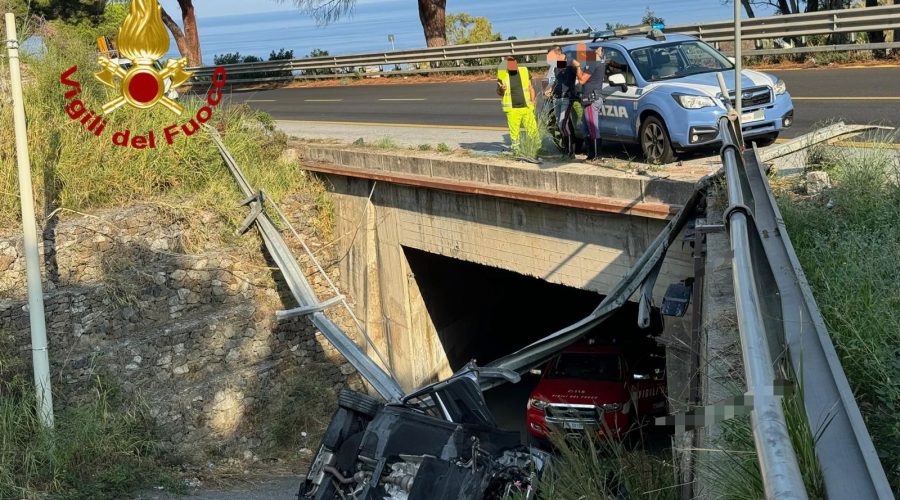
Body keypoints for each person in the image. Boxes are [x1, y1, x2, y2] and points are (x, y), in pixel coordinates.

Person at [496, 56, 539, 156]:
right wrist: (502, 89)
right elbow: (498, 92)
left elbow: (530, 87)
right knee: (514, 132)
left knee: (533, 130)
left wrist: (533, 101)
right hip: (512, 109)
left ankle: (538, 149)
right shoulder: (502, 74)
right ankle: (517, 151)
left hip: (526, 107)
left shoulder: (524, 70)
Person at [574, 47, 608, 161]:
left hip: (591, 99)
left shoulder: (593, 63)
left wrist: (578, 67)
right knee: (585, 128)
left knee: (592, 127)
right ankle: (591, 154)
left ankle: (597, 155)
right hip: (590, 99)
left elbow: (582, 80)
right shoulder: (597, 62)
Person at [552, 55, 578, 158]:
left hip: (566, 98)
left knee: (564, 124)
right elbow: (556, 81)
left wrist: (571, 64)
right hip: (556, 98)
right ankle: (566, 149)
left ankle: (571, 151)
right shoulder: (556, 69)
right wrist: (551, 89)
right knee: (560, 124)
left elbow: (578, 71)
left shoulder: (571, 69)